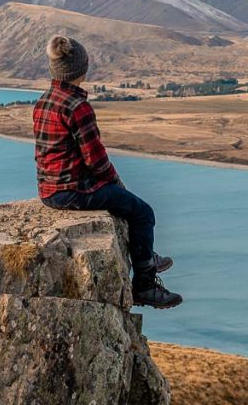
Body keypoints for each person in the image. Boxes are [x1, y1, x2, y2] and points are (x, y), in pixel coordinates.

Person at [33, 35, 183, 309]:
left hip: (48, 190)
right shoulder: (77, 107)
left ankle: (146, 255)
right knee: (142, 211)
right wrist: (117, 184)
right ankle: (145, 286)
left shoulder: (45, 100)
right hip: (72, 191)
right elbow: (96, 160)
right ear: (83, 69)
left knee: (123, 205)